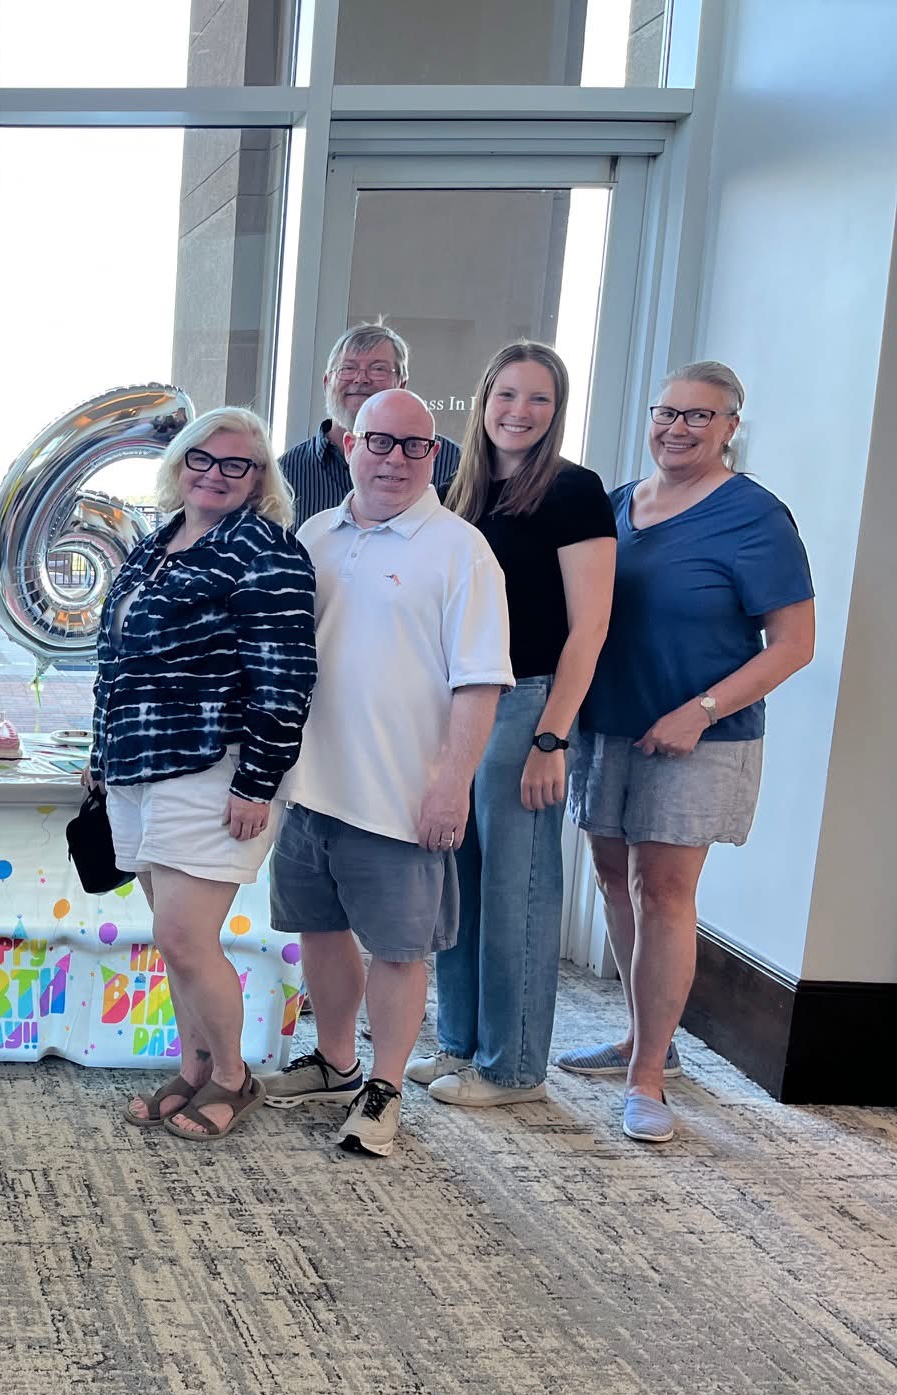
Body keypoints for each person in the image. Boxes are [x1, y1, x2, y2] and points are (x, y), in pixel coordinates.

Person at [559, 361, 814, 1143]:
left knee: (664, 891)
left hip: (699, 736)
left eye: (699, 416)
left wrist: (700, 712)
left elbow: (793, 644)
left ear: (731, 427)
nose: (678, 427)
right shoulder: (618, 504)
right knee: (613, 878)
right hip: (608, 724)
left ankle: (647, 1079)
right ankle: (643, 1037)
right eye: (666, 412)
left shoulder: (755, 516)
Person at [262, 388, 513, 1157]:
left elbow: (480, 681)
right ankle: (335, 1062)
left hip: (402, 795)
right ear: (349, 445)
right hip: (310, 787)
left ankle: (386, 1087)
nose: (395, 459)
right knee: (320, 930)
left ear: (434, 455)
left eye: (414, 446)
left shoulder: (461, 550)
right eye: (379, 442)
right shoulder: (315, 535)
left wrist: (452, 784)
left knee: (402, 950)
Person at [86, 407, 318, 1143]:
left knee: (187, 937)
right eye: (201, 459)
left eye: (235, 464)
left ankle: (233, 1077)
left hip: (212, 765)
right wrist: (100, 758)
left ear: (258, 478)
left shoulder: (266, 550)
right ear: (179, 463)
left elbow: (285, 676)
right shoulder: (156, 544)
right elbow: (113, 661)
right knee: (172, 938)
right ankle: (193, 1068)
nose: (214, 474)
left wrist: (258, 781)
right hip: (136, 765)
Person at [410, 343, 615, 1107]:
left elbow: (589, 628)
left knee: (516, 890)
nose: (519, 412)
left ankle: (514, 1068)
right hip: (459, 703)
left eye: (539, 399)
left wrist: (551, 737)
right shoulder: (455, 492)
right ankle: (461, 1043)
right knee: (455, 883)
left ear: (556, 413)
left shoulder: (573, 491)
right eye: (506, 395)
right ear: (483, 399)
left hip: (529, 702)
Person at [280, 320, 463, 528]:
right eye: (347, 368)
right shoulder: (284, 473)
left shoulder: (454, 465)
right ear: (326, 383)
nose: (361, 379)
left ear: (402, 384)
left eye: (378, 369)